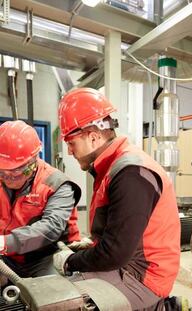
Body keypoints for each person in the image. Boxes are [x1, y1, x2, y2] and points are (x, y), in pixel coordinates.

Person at [53, 88, 181, 311]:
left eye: (71, 143)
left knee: (62, 302)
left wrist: (70, 261)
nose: (69, 150)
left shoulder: (130, 173)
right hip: (127, 265)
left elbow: (115, 253)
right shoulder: (113, 168)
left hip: (143, 278)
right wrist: (86, 246)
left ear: (93, 137)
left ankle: (157, 306)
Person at [0, 120, 81, 278]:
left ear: (31, 164)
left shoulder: (58, 184)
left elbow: (50, 228)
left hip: (47, 255)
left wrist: (4, 243)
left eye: (14, 172)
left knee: (51, 297)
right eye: (2, 172)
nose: (7, 179)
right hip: (9, 256)